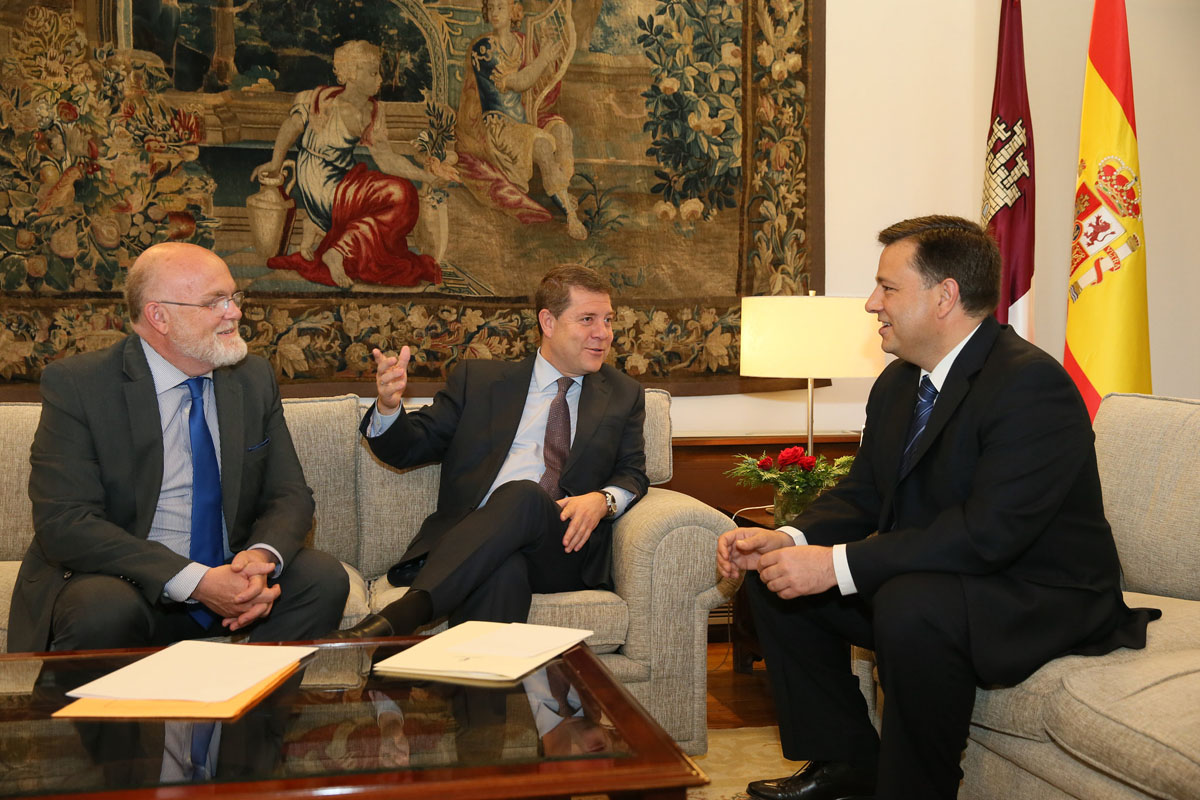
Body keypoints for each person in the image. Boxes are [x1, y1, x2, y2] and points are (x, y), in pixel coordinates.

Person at [717, 216, 1159, 800]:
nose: (873, 304)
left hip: (1038, 591)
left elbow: (989, 534)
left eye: (888, 288)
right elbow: (865, 495)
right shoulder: (900, 383)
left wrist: (837, 565)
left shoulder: (1030, 385)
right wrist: (792, 541)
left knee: (910, 602)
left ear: (945, 295)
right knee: (772, 580)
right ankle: (847, 763)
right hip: (942, 574)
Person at [8, 242, 349, 653]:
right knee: (101, 608)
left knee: (323, 578)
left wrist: (260, 558)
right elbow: (65, 522)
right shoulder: (79, 385)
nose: (235, 313)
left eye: (234, 297)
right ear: (159, 316)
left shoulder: (251, 377)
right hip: (128, 581)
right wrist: (195, 581)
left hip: (231, 577)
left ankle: (245, 710)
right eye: (215, 303)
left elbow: (289, 494)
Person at [336, 264, 647, 638]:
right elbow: (411, 446)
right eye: (587, 319)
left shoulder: (623, 393)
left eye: (608, 320)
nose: (604, 333)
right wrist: (388, 407)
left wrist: (603, 500)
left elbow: (633, 471)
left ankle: (410, 610)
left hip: (562, 547)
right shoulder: (479, 382)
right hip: (480, 545)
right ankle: (468, 691)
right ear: (548, 322)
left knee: (525, 495)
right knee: (503, 572)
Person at [252, 40, 459, 289]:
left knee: (405, 194)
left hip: (344, 179)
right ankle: (336, 249)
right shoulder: (317, 98)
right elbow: (291, 128)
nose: (380, 79)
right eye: (373, 72)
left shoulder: (372, 111)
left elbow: (386, 159)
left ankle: (327, 235)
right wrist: (276, 162)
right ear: (351, 72)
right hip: (321, 183)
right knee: (399, 195)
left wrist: (426, 177)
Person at [455, 0, 588, 240]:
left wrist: (546, 48)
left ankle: (562, 190)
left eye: (501, 7)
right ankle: (570, 214)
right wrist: (543, 60)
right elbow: (516, 83)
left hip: (528, 116)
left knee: (563, 132)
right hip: (500, 126)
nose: (495, 12)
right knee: (542, 145)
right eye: (491, 7)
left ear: (514, 10)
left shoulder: (523, 43)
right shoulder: (483, 49)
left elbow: (541, 81)